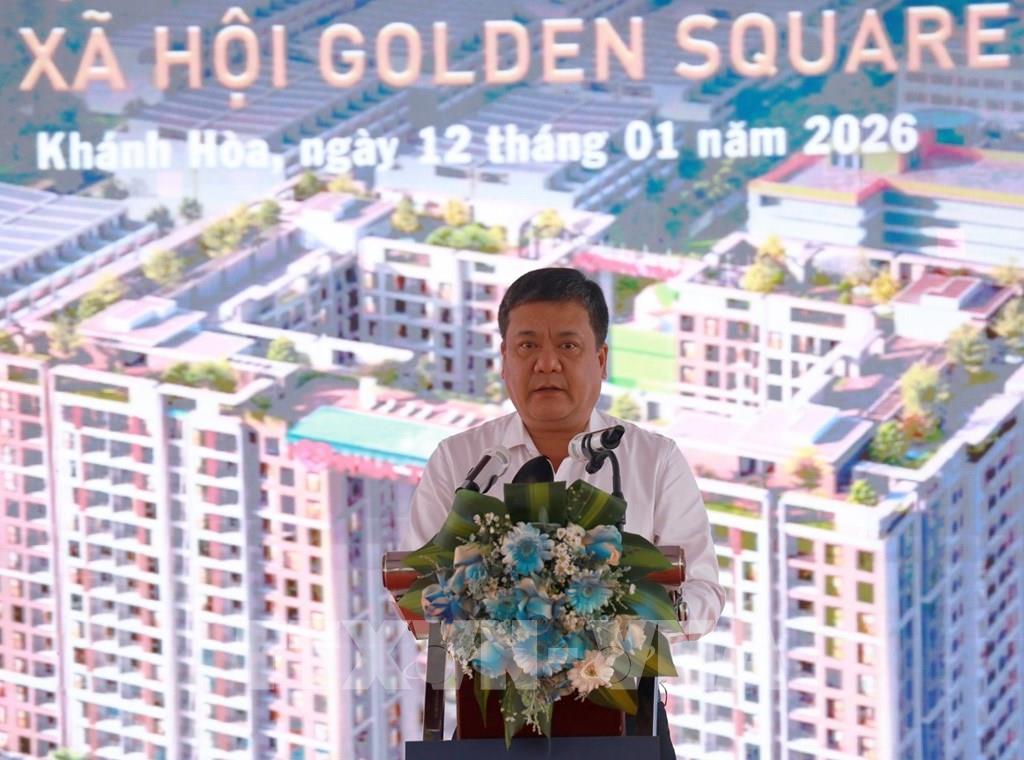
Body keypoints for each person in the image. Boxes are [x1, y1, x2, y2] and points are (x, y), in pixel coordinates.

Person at [402, 268, 725, 752]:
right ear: (505, 359)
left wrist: (622, 623)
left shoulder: (652, 459)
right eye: (527, 346)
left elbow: (703, 593)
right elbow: (417, 590)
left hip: (626, 720)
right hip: (489, 723)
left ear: (600, 359)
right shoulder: (461, 461)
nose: (547, 363)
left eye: (568, 346)